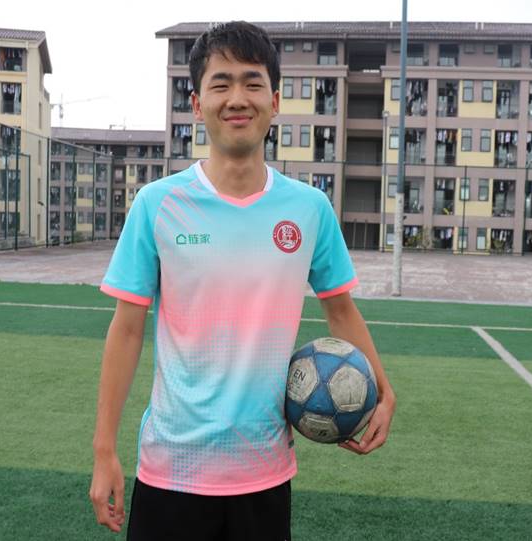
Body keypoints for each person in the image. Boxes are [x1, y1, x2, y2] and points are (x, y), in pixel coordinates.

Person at [89, 20, 396, 540]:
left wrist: (384, 392)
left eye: (253, 83)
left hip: (264, 472)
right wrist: (104, 451)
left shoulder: (309, 209)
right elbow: (126, 329)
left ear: (274, 102)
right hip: (172, 471)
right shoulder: (157, 205)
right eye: (221, 83)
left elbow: (341, 309)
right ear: (197, 104)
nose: (237, 98)